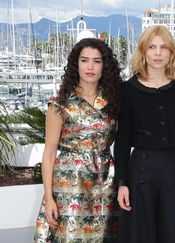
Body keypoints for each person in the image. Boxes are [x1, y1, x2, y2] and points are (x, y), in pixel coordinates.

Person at [34, 38, 122, 242]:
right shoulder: (59, 104)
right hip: (69, 186)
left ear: (104, 66)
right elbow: (48, 154)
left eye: (97, 61)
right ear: (76, 64)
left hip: (105, 183)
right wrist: (49, 198)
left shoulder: (113, 102)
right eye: (84, 60)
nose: (90, 66)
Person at [114, 25, 175, 243]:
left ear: (171, 53)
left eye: (163, 47)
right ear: (143, 51)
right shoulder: (128, 89)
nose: (158, 53)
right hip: (140, 170)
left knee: (174, 235)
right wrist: (122, 182)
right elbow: (121, 140)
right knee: (141, 235)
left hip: (174, 170)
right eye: (152, 47)